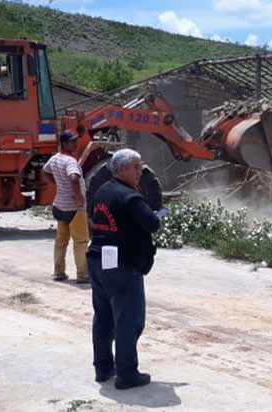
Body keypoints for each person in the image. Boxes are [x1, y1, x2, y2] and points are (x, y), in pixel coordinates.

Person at [87, 148, 160, 390]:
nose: (140, 172)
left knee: (104, 318)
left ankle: (103, 367)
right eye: (136, 167)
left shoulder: (102, 191)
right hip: (122, 266)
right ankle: (127, 374)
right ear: (121, 169)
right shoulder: (130, 197)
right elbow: (152, 223)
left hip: (98, 261)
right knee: (129, 321)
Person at [41, 131, 90, 284]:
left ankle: (59, 271)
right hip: (75, 208)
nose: (75, 144)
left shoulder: (55, 159)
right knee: (81, 241)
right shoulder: (70, 162)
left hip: (59, 206)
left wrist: (57, 184)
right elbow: (74, 177)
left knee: (61, 240)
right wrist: (79, 197)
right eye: (72, 142)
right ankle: (83, 274)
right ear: (64, 144)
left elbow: (44, 171)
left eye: (76, 141)